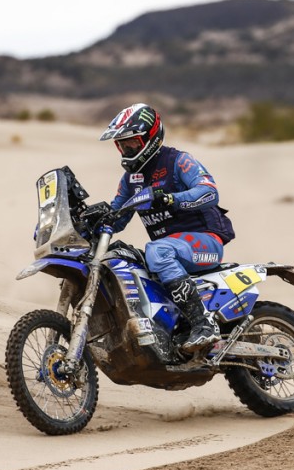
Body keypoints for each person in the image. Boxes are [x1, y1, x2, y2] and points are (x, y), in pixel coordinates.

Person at [100, 103, 235, 353]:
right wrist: (92, 219)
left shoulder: (178, 161)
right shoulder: (131, 179)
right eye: (122, 143)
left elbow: (209, 192)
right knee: (121, 258)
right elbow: (117, 217)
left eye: (133, 142)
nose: (127, 148)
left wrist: (173, 199)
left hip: (206, 241)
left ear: (151, 137)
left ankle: (203, 324)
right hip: (171, 248)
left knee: (157, 250)